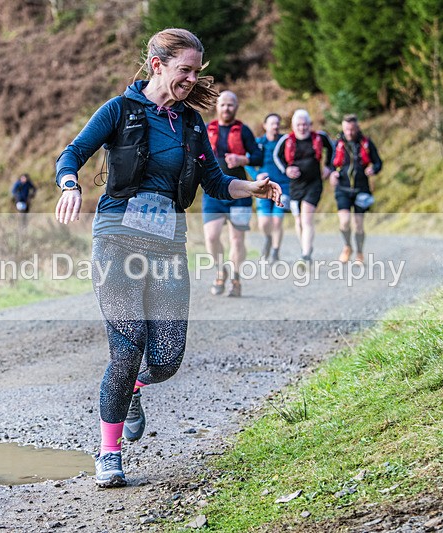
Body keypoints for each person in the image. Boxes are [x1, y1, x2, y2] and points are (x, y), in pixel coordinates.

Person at [54, 28, 282, 488]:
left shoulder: (192, 123)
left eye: (196, 71)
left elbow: (216, 182)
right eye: (185, 70)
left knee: (166, 359)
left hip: (167, 246)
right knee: (127, 346)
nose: (192, 79)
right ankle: (109, 453)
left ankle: (135, 389)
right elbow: (73, 153)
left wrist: (252, 187)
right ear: (157, 65)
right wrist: (70, 184)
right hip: (116, 238)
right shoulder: (120, 110)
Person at [201, 91, 263, 297]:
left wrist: (241, 159)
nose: (226, 108)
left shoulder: (243, 130)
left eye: (231, 105)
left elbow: (257, 156)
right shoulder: (206, 129)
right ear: (216, 107)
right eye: (223, 105)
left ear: (236, 107)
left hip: (240, 193)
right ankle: (221, 270)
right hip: (213, 193)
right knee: (211, 237)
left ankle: (235, 278)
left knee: (237, 240)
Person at [273, 109, 333, 265]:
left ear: (310, 124)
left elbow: (332, 149)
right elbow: (277, 157)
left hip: (314, 183)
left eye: (305, 124)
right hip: (295, 185)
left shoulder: (319, 137)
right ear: (293, 126)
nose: (302, 128)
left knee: (306, 217)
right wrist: (286, 169)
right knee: (298, 221)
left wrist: (328, 166)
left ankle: (306, 255)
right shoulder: (287, 140)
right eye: (299, 125)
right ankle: (305, 248)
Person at [329, 114, 382, 264]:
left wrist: (374, 169)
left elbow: (378, 163)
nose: (349, 133)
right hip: (342, 188)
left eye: (352, 129)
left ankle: (359, 253)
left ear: (357, 128)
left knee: (358, 224)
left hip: (361, 189)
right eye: (346, 129)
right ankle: (347, 247)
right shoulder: (337, 144)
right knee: (344, 221)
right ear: (343, 128)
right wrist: (332, 173)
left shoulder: (366, 143)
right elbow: (331, 164)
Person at [251, 113, 288, 262]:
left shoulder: (285, 142)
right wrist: (256, 175)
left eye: (277, 123)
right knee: (264, 222)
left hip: (283, 187)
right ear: (265, 126)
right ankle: (267, 238)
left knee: (277, 221)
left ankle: (275, 251)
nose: (275, 126)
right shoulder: (259, 143)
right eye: (272, 123)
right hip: (263, 188)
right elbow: (248, 161)